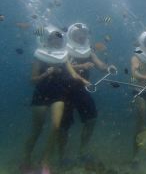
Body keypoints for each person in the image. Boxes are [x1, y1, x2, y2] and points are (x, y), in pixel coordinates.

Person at [21, 25, 89, 173]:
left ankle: (45, 161)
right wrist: (46, 74)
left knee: (56, 126)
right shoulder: (39, 55)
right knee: (37, 130)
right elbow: (32, 80)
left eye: (59, 38)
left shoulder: (63, 55)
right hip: (41, 91)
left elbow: (73, 74)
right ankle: (26, 159)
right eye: (53, 38)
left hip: (58, 92)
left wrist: (84, 82)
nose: (56, 41)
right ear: (48, 39)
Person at [59, 23, 117, 161]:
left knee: (91, 119)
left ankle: (82, 152)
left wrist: (108, 68)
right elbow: (62, 67)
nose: (82, 36)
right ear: (71, 35)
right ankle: (62, 156)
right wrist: (82, 65)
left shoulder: (88, 50)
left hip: (81, 89)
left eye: (84, 33)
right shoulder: (64, 49)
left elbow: (100, 65)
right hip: (64, 90)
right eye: (78, 34)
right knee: (64, 125)